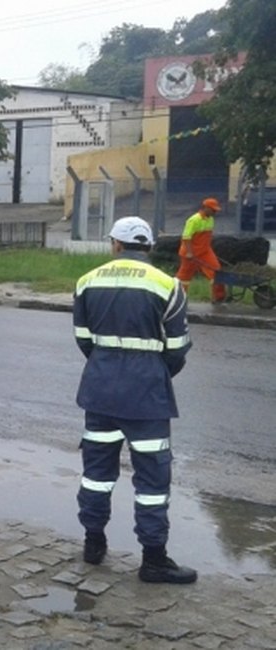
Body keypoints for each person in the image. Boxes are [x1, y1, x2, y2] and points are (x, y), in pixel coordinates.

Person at [73, 216, 196, 584]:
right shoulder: (168, 285)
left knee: (96, 474)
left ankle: (93, 544)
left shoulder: (87, 282)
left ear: (115, 245)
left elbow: (84, 340)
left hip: (100, 393)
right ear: (149, 246)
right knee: (153, 481)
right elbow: (177, 349)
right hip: (147, 398)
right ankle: (154, 559)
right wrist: (155, 374)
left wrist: (107, 366)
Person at [176, 197, 226, 304]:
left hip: (205, 251)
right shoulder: (194, 220)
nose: (215, 212)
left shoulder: (210, 219)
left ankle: (218, 297)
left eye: (215, 210)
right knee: (184, 277)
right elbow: (186, 237)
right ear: (206, 208)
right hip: (190, 253)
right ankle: (177, 298)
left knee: (216, 272)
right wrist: (189, 253)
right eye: (213, 210)